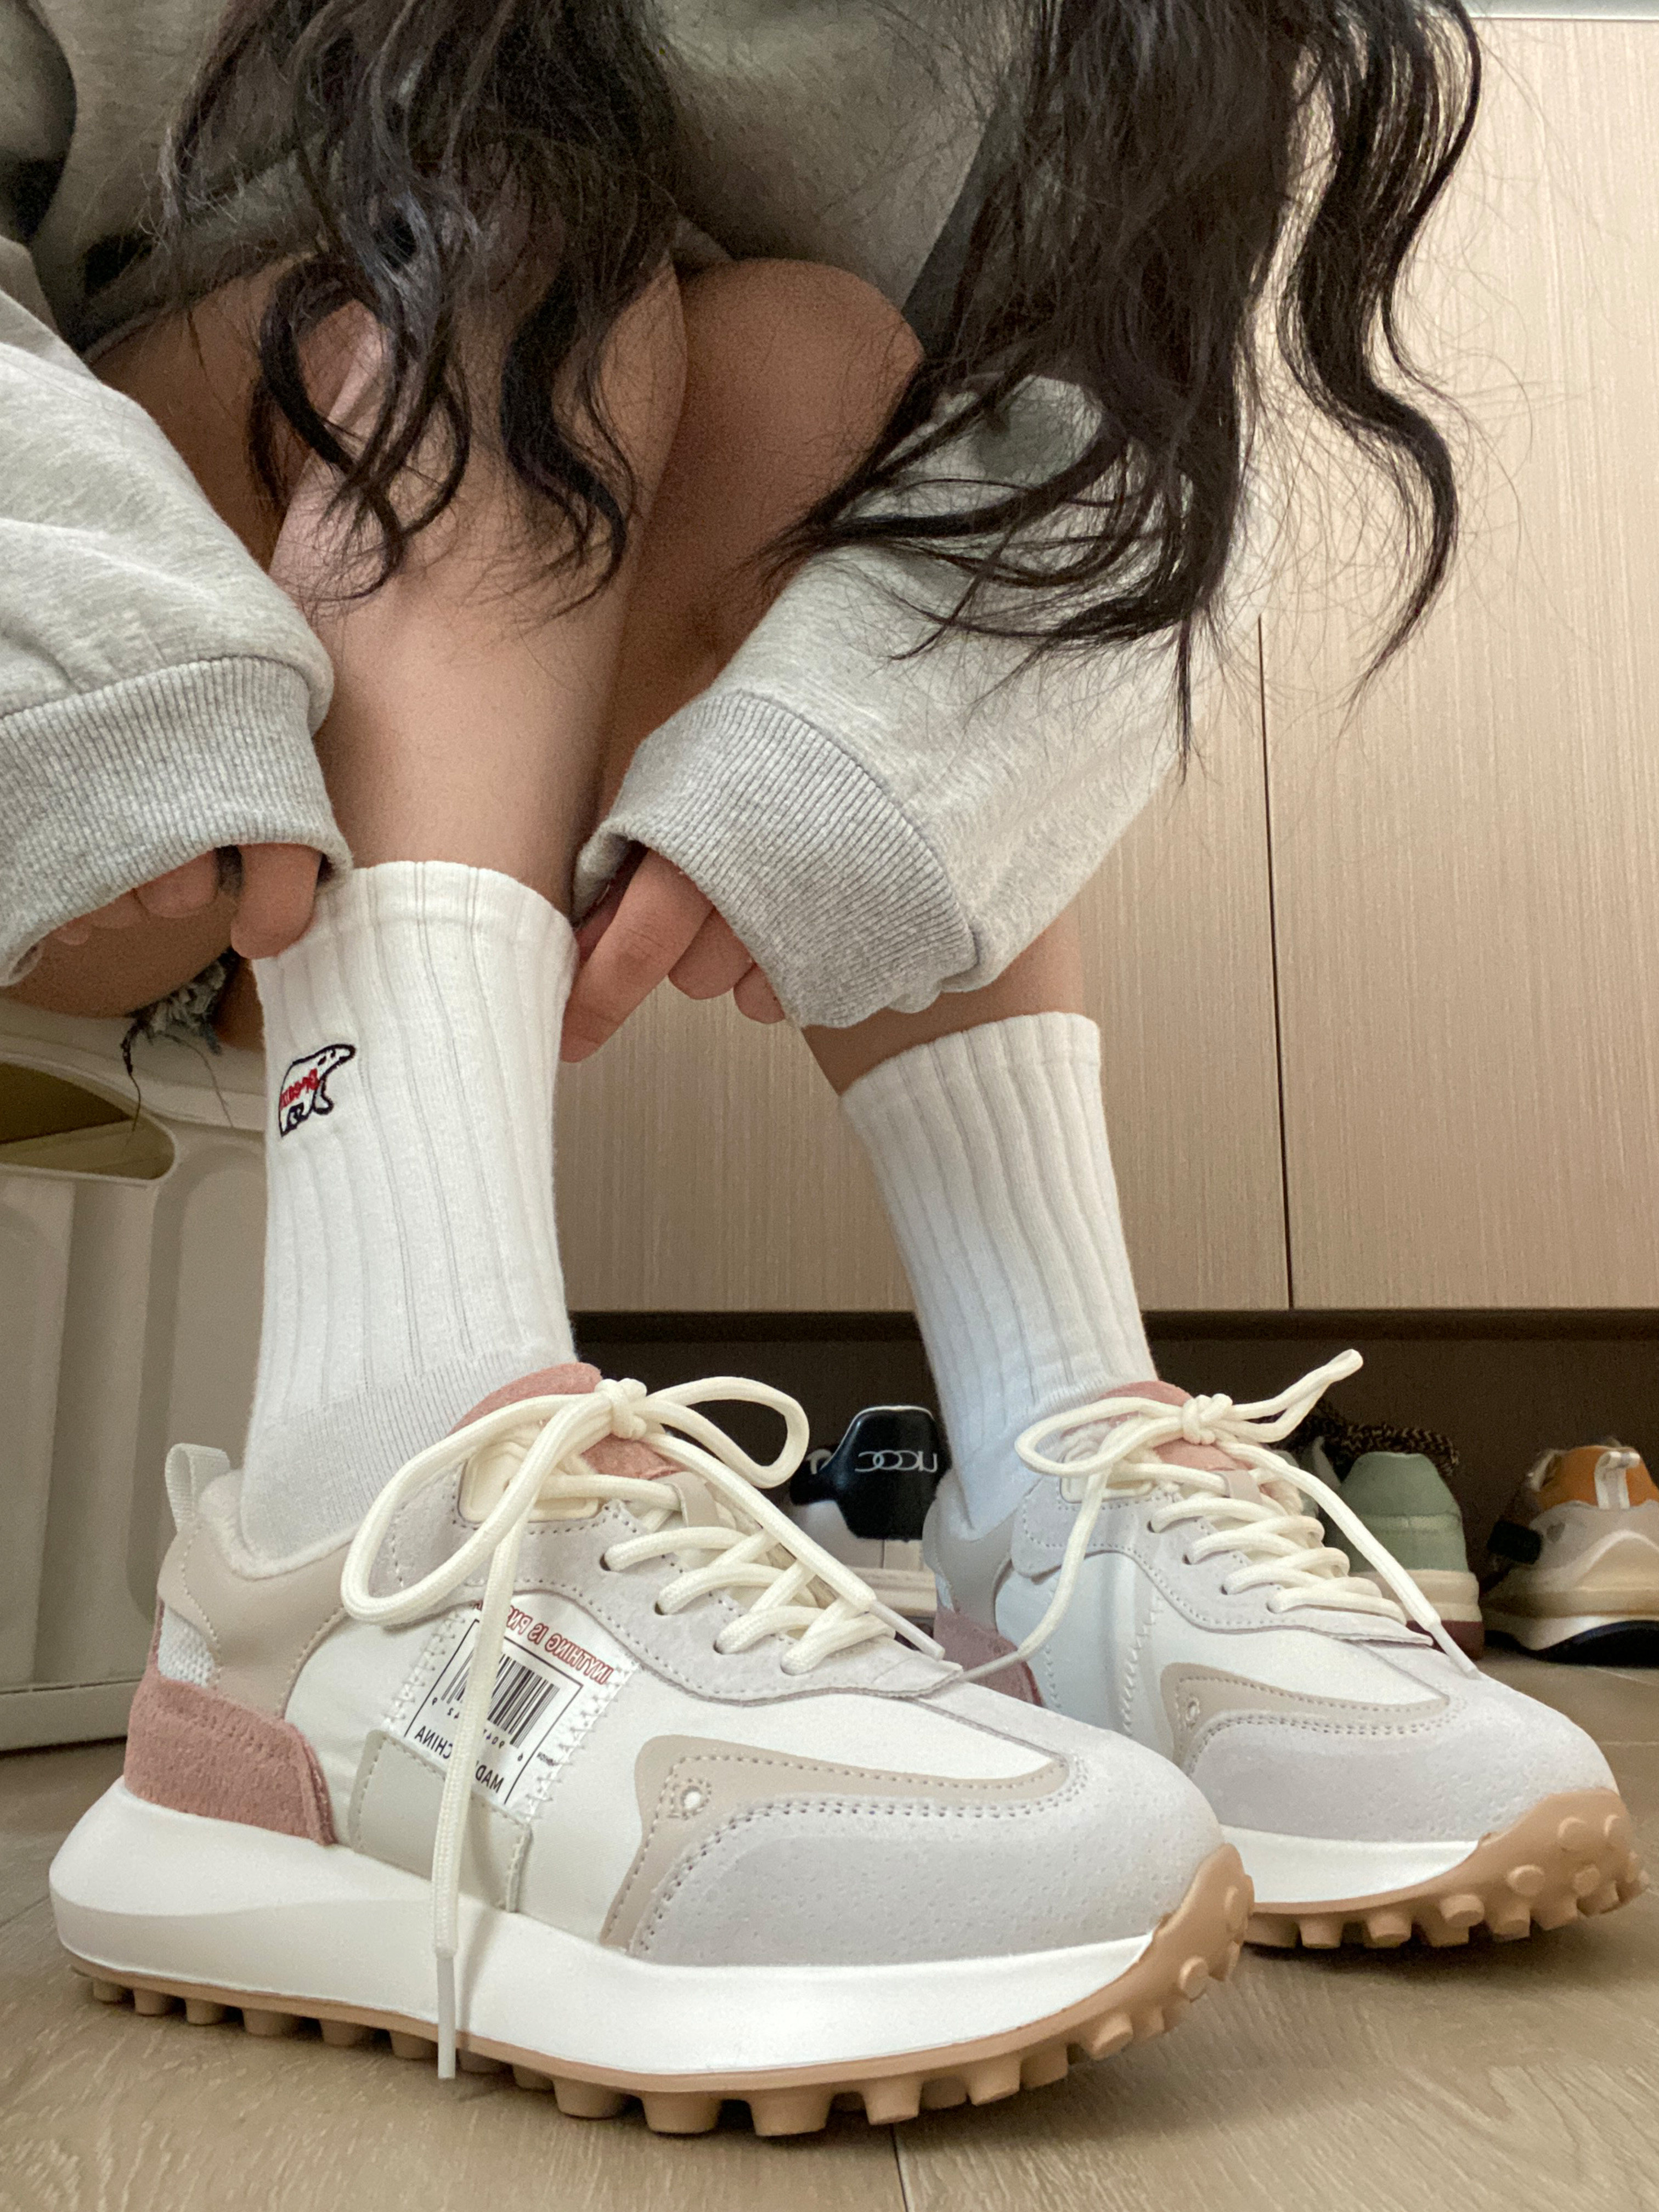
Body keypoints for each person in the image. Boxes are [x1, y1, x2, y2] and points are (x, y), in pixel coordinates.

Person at [13, 0, 1642, 2136]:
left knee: (842, 378)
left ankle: (1057, 1497)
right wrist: (104, 689)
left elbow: (1113, 451)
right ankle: (362, 1531)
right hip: (111, 748)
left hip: (433, 721)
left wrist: (848, 781)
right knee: (498, 265)